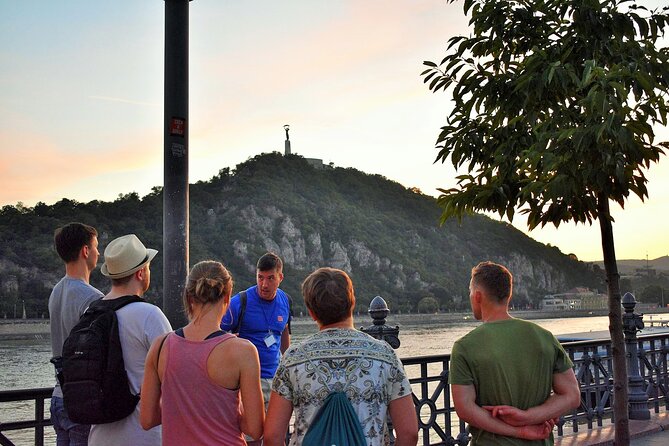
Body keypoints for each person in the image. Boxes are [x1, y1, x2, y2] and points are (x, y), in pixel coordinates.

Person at [264, 267, 419, 446]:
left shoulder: (293, 358)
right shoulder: (385, 355)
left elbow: (272, 436)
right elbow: (409, 433)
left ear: (311, 311)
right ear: (352, 303)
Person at [450, 261, 581, 445]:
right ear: (508, 295)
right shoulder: (544, 337)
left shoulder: (465, 346)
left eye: (471, 293)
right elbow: (572, 396)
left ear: (478, 296)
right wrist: (528, 416)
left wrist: (518, 431)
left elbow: (465, 409)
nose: (470, 297)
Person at [140, 260, 264, 445]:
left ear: (189, 298)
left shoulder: (160, 347)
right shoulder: (243, 351)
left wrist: (181, 408)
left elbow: (147, 419)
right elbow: (255, 429)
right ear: (227, 298)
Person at [88, 234, 172, 446]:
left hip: (98, 437)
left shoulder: (91, 312)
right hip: (142, 436)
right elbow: (174, 377)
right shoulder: (149, 316)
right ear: (141, 272)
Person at [49, 222, 105, 445]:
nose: (98, 252)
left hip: (58, 396)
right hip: (81, 402)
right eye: (96, 247)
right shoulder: (92, 298)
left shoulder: (56, 291)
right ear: (85, 251)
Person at [220, 252, 291, 409]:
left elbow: (284, 330)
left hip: (276, 380)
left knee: (277, 433)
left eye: (270, 278)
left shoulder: (285, 301)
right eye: (260, 277)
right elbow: (214, 334)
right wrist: (229, 340)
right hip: (248, 380)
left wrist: (288, 364)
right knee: (251, 433)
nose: (264, 284)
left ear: (281, 278)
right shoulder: (239, 302)